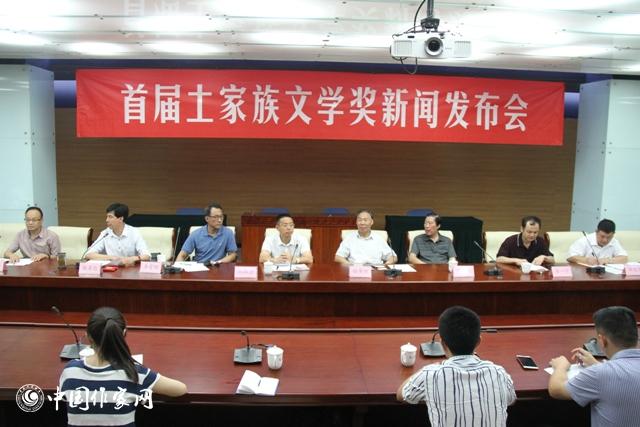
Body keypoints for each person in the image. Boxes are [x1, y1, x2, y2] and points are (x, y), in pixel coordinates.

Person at [59, 307, 187, 426]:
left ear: (88, 336)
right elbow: (181, 389)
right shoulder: (134, 373)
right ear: (124, 333)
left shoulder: (70, 371)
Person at [397, 306, 516, 426]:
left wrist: (430, 368)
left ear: (442, 344)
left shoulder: (430, 375)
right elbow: (511, 400)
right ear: (478, 342)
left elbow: (401, 394)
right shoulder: (499, 373)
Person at [548, 306, 640, 426]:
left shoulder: (600, 373)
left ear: (602, 340)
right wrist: (596, 364)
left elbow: (556, 390)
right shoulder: (601, 371)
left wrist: (560, 366)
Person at [85, 203, 150, 266]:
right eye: (107, 217)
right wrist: (113, 258)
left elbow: (146, 256)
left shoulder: (134, 232)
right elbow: (88, 254)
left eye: (110, 217)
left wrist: (132, 259)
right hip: (111, 269)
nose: (107, 220)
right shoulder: (105, 233)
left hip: (130, 269)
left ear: (121, 219)